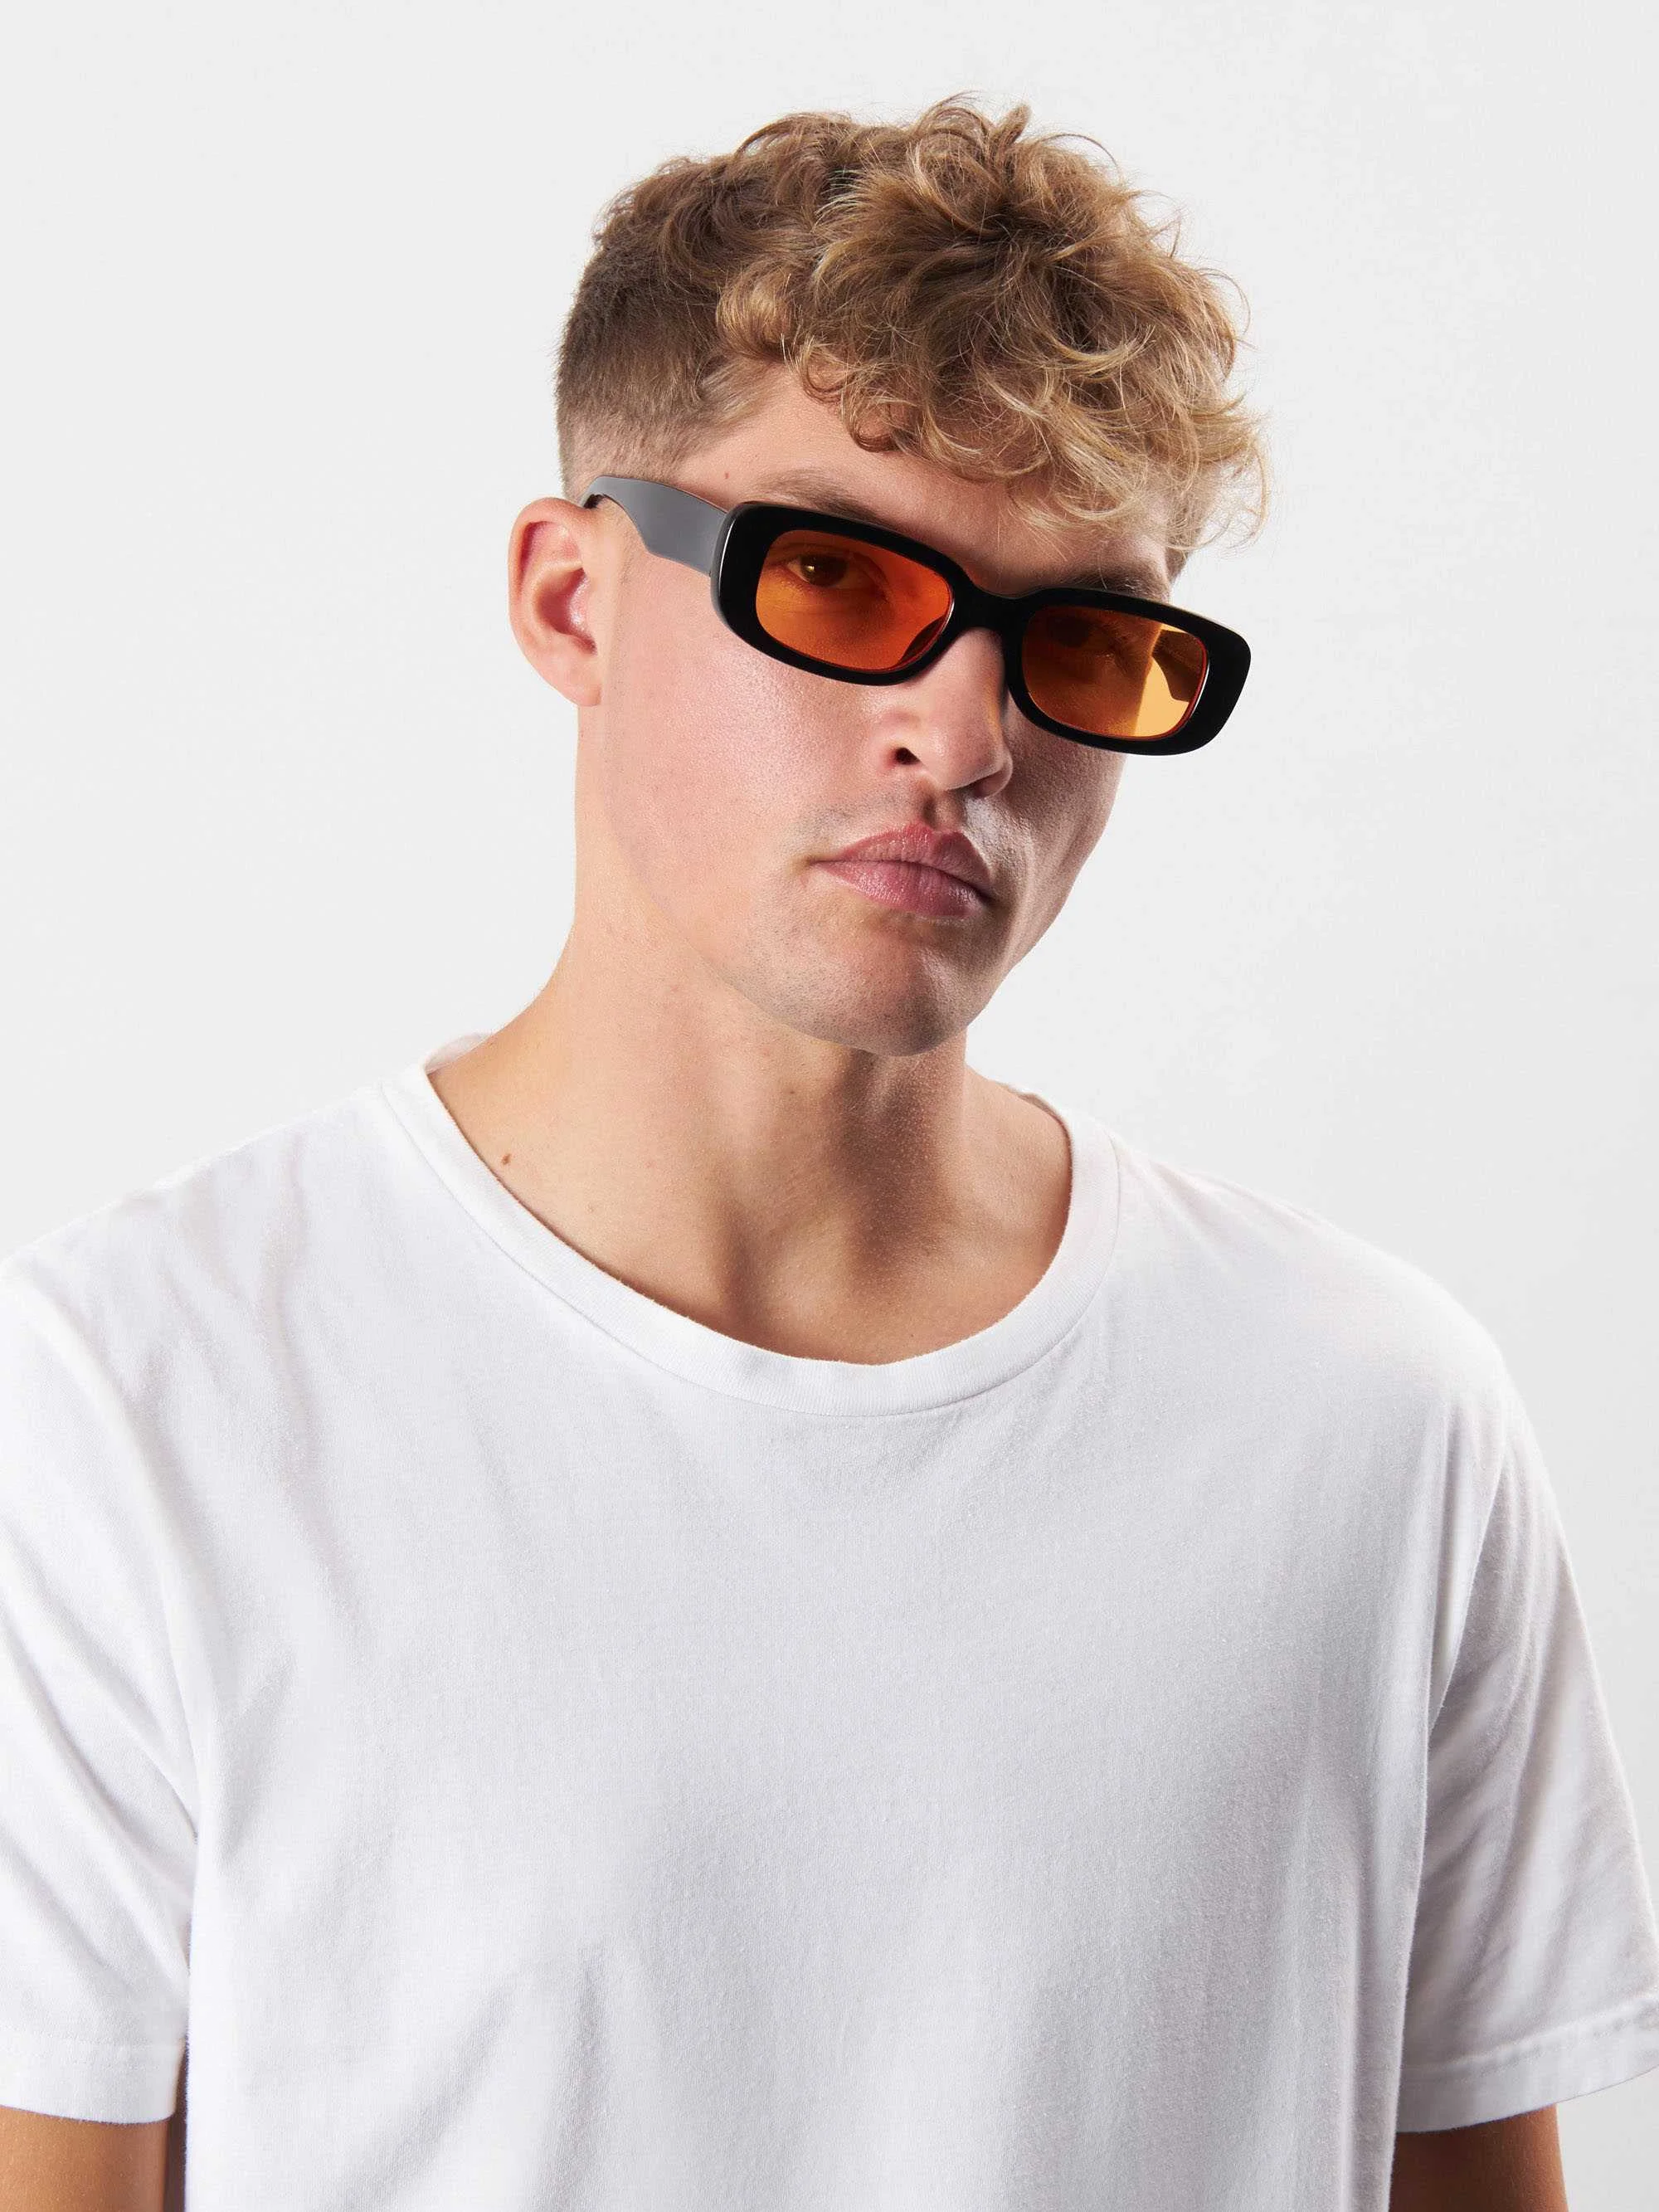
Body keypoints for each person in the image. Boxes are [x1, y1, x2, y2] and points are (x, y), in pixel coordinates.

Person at [1, 94, 1655, 2212]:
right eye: (845, 583)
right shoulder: (132, 1404)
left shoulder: (1368, 1419)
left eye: (1080, 639)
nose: (966, 735)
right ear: (573, 601)